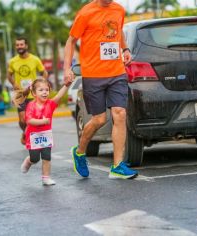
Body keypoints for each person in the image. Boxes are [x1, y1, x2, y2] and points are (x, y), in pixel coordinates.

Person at [63, 0, 138, 179]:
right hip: (93, 74)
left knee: (119, 113)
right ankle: (80, 151)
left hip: (116, 72)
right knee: (99, 119)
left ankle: (118, 165)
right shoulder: (86, 12)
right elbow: (71, 40)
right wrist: (67, 68)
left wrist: (125, 48)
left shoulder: (119, 9)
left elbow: (118, 30)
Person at [19, 78, 70, 186]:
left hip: (46, 136)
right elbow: (29, 120)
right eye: (41, 90)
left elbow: (59, 96)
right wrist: (43, 121)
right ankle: (28, 161)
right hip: (33, 137)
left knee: (47, 157)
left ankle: (46, 178)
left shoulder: (50, 104)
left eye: (46, 90)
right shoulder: (31, 106)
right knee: (35, 158)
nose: (44, 92)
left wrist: (67, 85)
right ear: (34, 93)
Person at [7, 37, 48, 146]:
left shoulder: (35, 59)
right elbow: (9, 75)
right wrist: (14, 83)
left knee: (33, 118)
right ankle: (24, 132)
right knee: (22, 120)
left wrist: (41, 83)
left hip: (33, 94)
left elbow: (44, 72)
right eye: (17, 45)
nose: (19, 47)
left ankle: (29, 134)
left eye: (21, 44)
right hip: (20, 95)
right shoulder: (13, 61)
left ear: (26, 46)